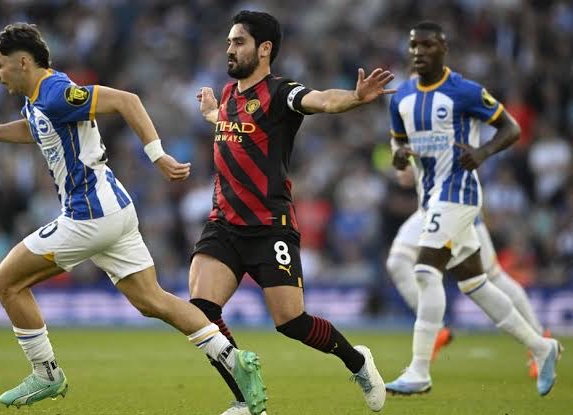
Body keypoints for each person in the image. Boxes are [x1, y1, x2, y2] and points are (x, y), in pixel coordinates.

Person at [0, 23, 267, 414]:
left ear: (23, 62)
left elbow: (127, 101)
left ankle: (46, 373)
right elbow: (37, 129)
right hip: (113, 211)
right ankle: (235, 360)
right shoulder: (38, 100)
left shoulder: (55, 91)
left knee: (7, 282)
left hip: (89, 214)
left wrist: (157, 156)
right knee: (152, 301)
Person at [192, 10, 393, 414]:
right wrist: (212, 113)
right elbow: (229, 123)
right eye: (229, 41)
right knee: (201, 311)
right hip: (224, 224)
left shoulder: (282, 92)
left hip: (270, 228)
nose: (229, 49)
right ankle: (245, 399)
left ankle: (357, 361)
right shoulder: (229, 95)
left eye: (238, 42)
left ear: (264, 49)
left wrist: (355, 97)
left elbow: (323, 100)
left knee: (291, 323)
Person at [385, 21, 561, 396]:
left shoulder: (464, 91)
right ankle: (540, 345)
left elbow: (511, 128)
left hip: (459, 193)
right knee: (476, 284)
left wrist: (483, 153)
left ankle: (419, 370)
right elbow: (398, 149)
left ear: (443, 48)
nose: (419, 52)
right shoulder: (401, 98)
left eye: (427, 45)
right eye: (414, 46)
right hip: (429, 199)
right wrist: (399, 157)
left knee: (424, 270)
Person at [386, 167, 548, 373]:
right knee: (398, 262)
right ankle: (435, 330)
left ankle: (540, 339)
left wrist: (417, 169)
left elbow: (460, 156)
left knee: (490, 277)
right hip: (430, 209)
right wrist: (415, 169)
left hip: (456, 205)